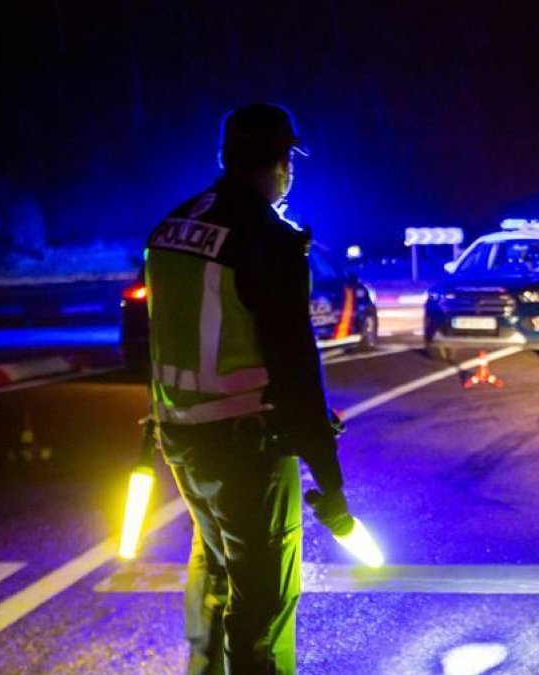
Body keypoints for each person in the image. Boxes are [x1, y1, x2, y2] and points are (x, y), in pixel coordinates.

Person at [143, 102, 350, 674]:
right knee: (264, 605)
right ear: (283, 162)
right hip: (247, 448)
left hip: (180, 439)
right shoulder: (269, 239)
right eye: (288, 160)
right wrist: (331, 487)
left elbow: (161, 339)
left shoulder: (171, 227)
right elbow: (296, 366)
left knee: (217, 575)